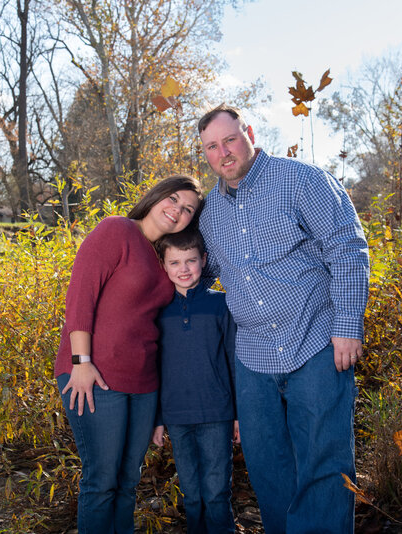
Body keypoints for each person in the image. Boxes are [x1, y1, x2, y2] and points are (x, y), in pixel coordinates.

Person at [196, 104, 369, 534]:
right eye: (212, 147)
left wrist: (348, 326)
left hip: (316, 342)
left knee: (323, 460)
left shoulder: (301, 180)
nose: (224, 153)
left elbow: (347, 248)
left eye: (230, 139)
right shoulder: (211, 213)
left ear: (249, 133)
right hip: (253, 357)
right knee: (267, 466)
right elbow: (201, 272)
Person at [55, 175, 203, 534]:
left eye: (187, 210)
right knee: (101, 480)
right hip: (95, 374)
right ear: (155, 197)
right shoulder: (116, 230)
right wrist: (81, 362)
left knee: (127, 481)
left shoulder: (165, 258)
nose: (177, 211)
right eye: (173, 199)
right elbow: (80, 298)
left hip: (144, 384)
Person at [150, 228, 239, 534]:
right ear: (163, 265)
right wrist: (158, 419)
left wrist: (238, 414)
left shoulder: (221, 305)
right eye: (175, 262)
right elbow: (155, 369)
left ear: (204, 260)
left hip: (217, 412)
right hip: (177, 415)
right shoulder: (159, 311)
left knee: (216, 492)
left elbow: (233, 360)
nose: (184, 269)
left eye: (190, 260)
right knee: (191, 493)